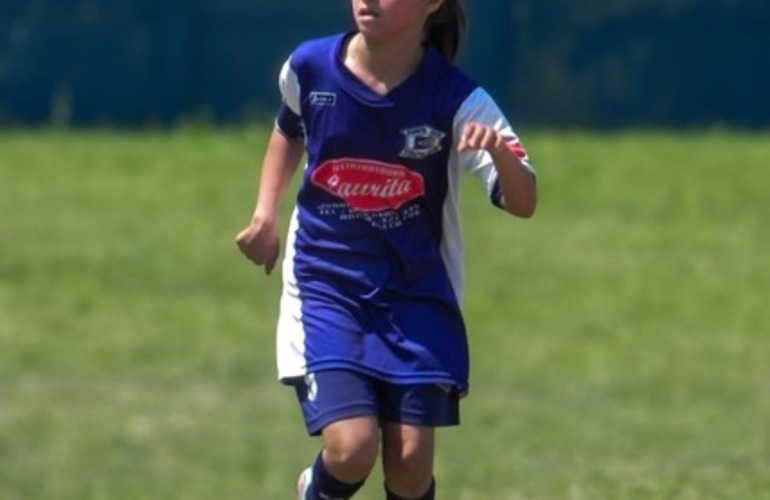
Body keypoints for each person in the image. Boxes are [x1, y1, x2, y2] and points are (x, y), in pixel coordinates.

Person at [235, 0, 537, 498]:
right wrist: (265, 215)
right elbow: (289, 128)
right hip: (328, 284)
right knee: (352, 449)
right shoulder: (310, 67)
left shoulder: (456, 97)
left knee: (410, 466)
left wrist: (500, 153)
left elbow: (523, 201)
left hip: (416, 294)